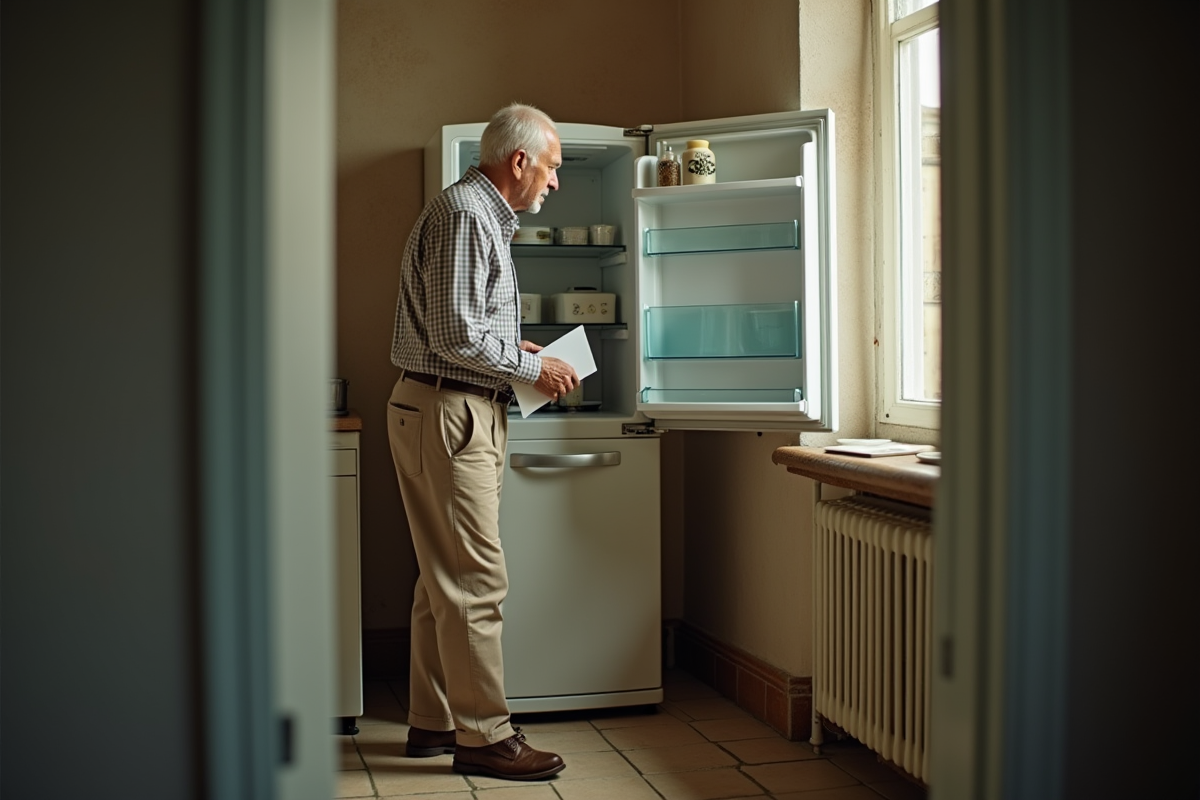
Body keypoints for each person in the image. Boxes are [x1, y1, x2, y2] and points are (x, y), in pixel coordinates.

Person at [385, 102, 578, 782]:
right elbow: (457, 336)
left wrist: (511, 348)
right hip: (450, 411)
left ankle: (434, 721)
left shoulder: (473, 212)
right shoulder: (470, 214)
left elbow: (461, 328)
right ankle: (486, 736)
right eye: (550, 168)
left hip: (439, 402)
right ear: (518, 161)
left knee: (444, 579)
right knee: (475, 579)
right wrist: (535, 366)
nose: (553, 183)